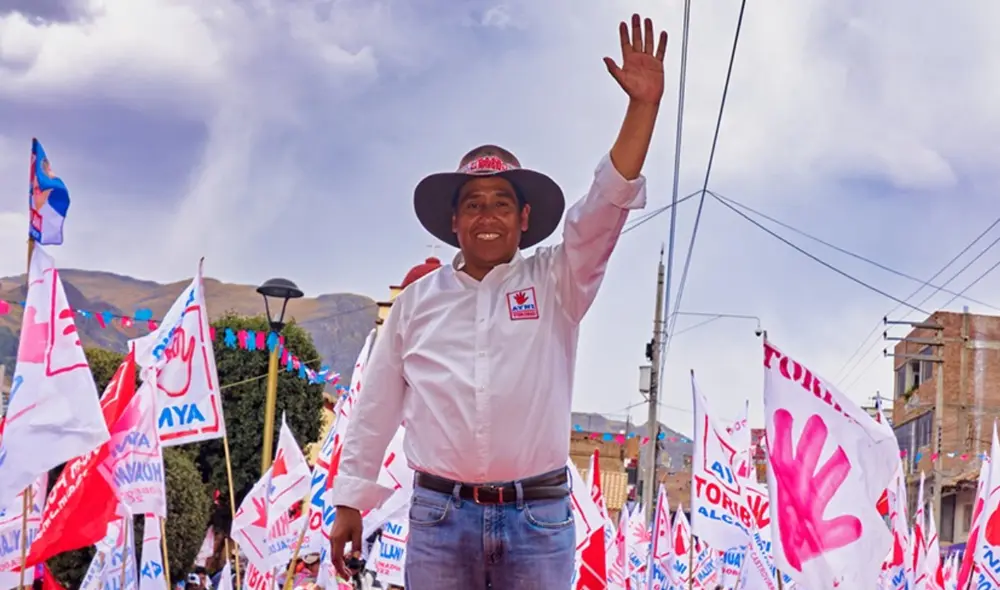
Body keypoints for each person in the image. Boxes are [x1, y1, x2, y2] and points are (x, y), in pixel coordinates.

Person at [330, 12, 667, 589]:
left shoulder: (560, 279)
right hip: (439, 519)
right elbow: (374, 409)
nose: (488, 216)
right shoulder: (415, 304)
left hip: (538, 520)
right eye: (474, 204)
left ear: (525, 219)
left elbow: (603, 209)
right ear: (454, 222)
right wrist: (349, 502)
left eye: (502, 203)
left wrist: (643, 109)